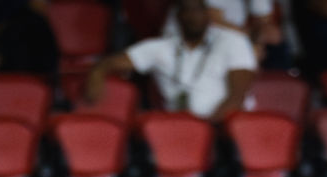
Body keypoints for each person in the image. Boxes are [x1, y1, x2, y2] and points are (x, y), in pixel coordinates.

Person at [85, 0, 257, 122]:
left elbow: (237, 98)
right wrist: (97, 72)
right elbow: (109, 63)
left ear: (207, 14)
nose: (192, 16)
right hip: (181, 130)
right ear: (178, 16)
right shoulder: (161, 48)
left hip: (227, 128)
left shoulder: (232, 41)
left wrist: (207, 130)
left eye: (197, 10)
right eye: (186, 10)